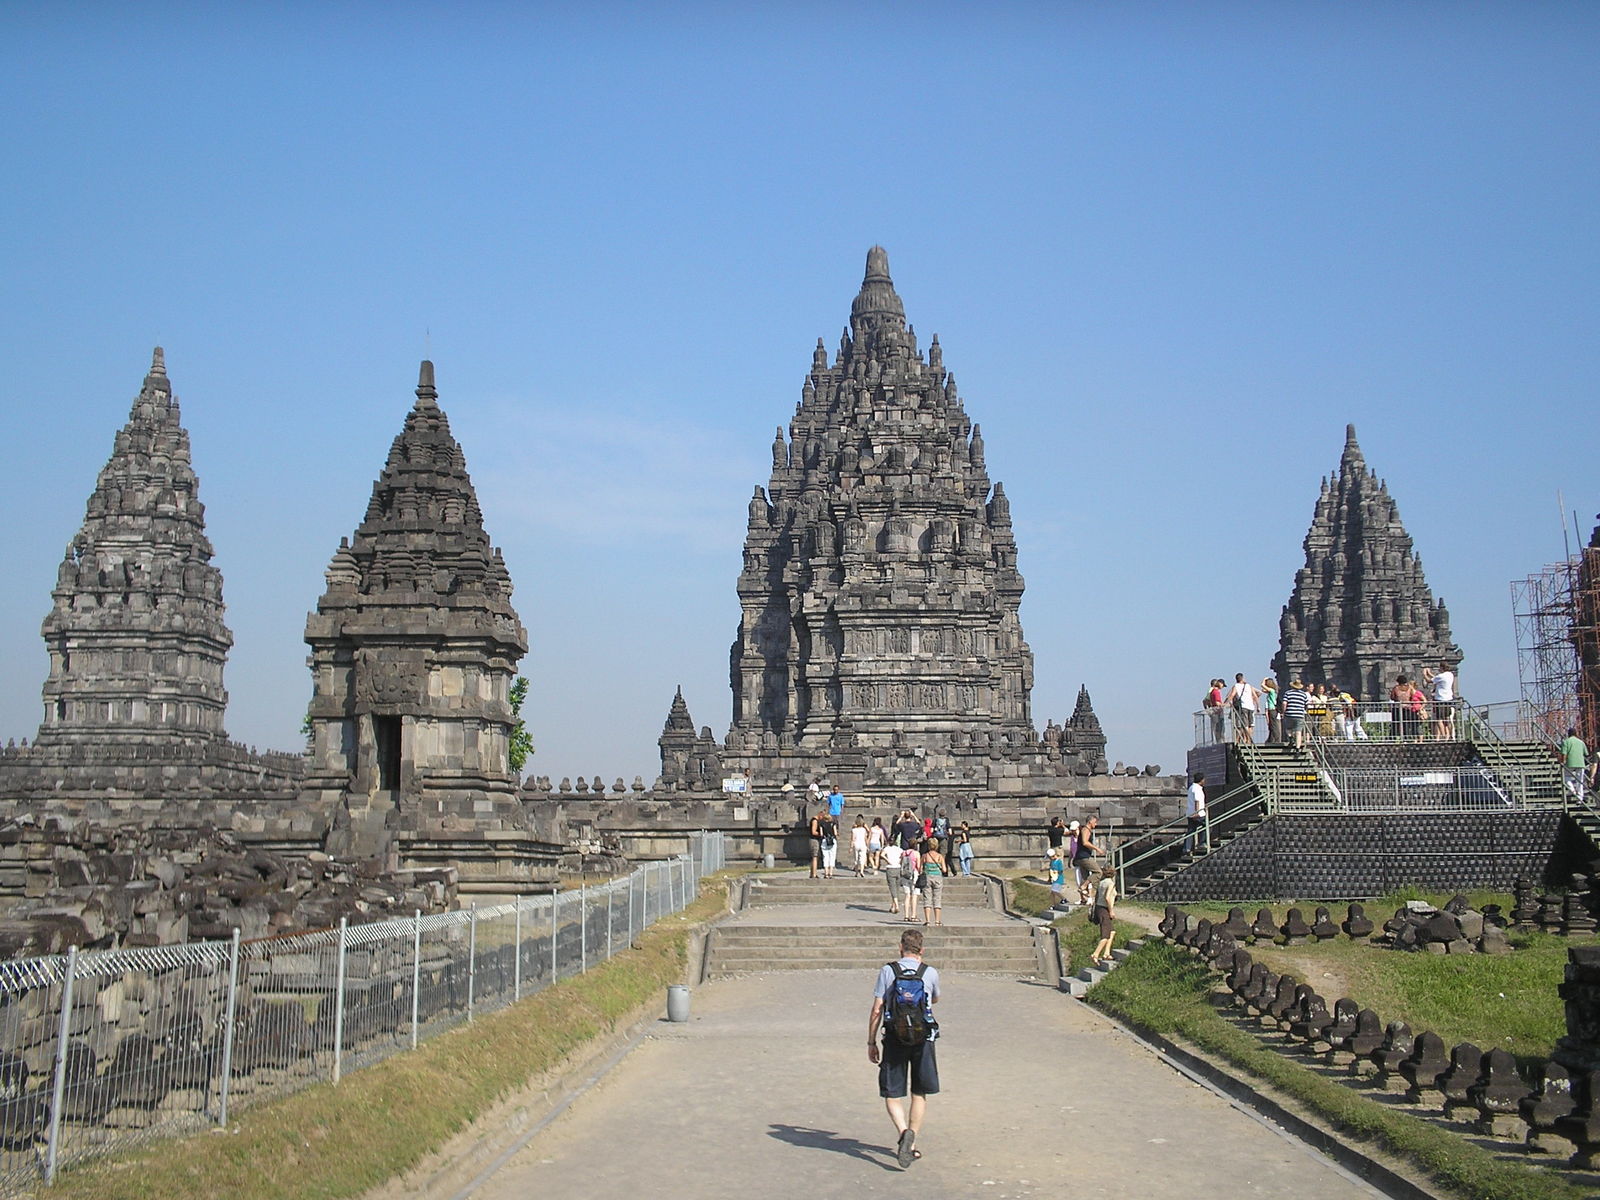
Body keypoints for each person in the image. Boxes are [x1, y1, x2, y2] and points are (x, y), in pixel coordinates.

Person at [867, 928, 940, 1169]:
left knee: (891, 1092)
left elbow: (878, 1008)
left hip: (895, 1037)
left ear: (901, 947)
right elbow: (934, 999)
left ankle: (903, 1132)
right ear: (922, 950)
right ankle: (912, 1139)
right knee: (919, 1092)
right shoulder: (929, 973)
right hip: (923, 1037)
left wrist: (871, 1041)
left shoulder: (888, 971)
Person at [1089, 864, 1118, 966]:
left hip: (1099, 908)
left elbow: (1096, 896)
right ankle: (1095, 954)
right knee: (1105, 935)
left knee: (1112, 931)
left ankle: (1106, 953)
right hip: (1105, 909)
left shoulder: (1101, 883)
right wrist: (1111, 911)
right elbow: (1107, 897)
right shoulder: (1110, 883)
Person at [1072, 815, 1100, 904]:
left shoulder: (1086, 830)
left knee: (1085, 877)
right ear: (1090, 822)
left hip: (1082, 856)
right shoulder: (1086, 829)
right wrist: (1097, 848)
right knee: (1098, 872)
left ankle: (1088, 897)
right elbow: (1085, 842)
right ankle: (1083, 887)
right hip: (1083, 857)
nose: (1096, 824)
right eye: (1095, 822)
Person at [1425, 663, 1457, 741]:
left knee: (1439, 719)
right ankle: (1449, 735)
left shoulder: (1441, 676)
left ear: (1442, 668)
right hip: (1449, 699)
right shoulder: (1450, 675)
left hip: (1440, 699)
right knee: (1447, 718)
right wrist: (1430, 674)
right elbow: (1437, 679)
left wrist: (1424, 674)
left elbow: (1429, 680)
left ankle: (1443, 735)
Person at [919, 839, 947, 926]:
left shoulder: (925, 856)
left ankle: (927, 921)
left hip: (927, 877)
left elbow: (920, 868)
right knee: (937, 899)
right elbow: (945, 869)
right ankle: (937, 921)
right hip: (938, 877)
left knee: (927, 898)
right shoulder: (940, 856)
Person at [1226, 673, 1258, 744]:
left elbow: (1232, 695)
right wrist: (1258, 706)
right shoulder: (1249, 686)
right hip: (1251, 706)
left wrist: (1226, 703)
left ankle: (1247, 739)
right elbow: (1255, 696)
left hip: (1243, 706)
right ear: (1242, 678)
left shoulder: (1236, 686)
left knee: (1245, 724)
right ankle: (1249, 740)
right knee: (1250, 724)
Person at [1561, 728, 1590, 799]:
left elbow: (1564, 753)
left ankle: (1572, 790)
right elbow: (1586, 753)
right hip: (1580, 763)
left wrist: (1563, 761)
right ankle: (1580, 797)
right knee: (1580, 780)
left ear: (1568, 734)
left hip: (1570, 763)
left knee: (1566, 777)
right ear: (1576, 734)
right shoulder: (1581, 742)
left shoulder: (1566, 742)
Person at [1281, 678, 1309, 749]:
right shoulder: (1303, 694)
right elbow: (1306, 704)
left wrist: (1283, 712)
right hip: (1299, 715)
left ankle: (1290, 738)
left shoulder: (1288, 693)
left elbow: (1284, 703)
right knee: (1298, 731)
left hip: (1289, 714)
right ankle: (1297, 748)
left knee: (1288, 728)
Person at [1184, 772, 1207, 856]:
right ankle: (1202, 843)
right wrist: (1197, 812)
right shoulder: (1197, 789)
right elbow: (1197, 801)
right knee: (1206, 826)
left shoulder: (1191, 788)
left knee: (1191, 831)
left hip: (1190, 813)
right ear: (1201, 780)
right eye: (1204, 779)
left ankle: (1187, 848)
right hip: (1198, 813)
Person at [899, 841, 922, 922]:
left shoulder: (903, 853)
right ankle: (913, 915)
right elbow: (918, 866)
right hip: (914, 874)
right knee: (914, 895)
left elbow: (901, 863)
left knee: (907, 895)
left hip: (905, 875)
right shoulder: (916, 853)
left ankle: (906, 916)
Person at [882, 841, 905, 914]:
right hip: (898, 868)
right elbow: (903, 855)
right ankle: (893, 906)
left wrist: (888, 860)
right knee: (897, 888)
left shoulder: (887, 848)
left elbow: (882, 855)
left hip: (890, 868)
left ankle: (897, 906)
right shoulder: (899, 849)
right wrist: (900, 861)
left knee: (892, 888)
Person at [1203, 678, 1226, 744]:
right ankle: (1220, 742)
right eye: (1222, 685)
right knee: (1220, 729)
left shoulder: (1212, 691)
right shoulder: (1215, 691)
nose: (1222, 687)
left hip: (1214, 711)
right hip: (1216, 712)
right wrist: (1225, 705)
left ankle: (1218, 741)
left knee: (1217, 728)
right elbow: (1217, 703)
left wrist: (1208, 710)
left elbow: (1205, 701)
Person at [817, 809, 839, 878]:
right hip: (832, 840)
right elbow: (835, 833)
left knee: (825, 857)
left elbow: (821, 834)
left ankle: (826, 873)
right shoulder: (833, 823)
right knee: (832, 857)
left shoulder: (821, 824)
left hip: (824, 840)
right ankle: (831, 872)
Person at [1260, 676, 1280, 744]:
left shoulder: (1271, 691)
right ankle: (1271, 739)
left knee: (1273, 725)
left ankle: (1276, 739)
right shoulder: (1273, 691)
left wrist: (1264, 679)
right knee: (1272, 725)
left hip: (1272, 709)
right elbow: (1263, 690)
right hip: (1273, 709)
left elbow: (1262, 686)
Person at [808, 808, 824, 878]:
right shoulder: (815, 820)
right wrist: (821, 834)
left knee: (815, 857)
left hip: (816, 839)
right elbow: (813, 831)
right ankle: (814, 873)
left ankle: (812, 873)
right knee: (815, 856)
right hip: (814, 840)